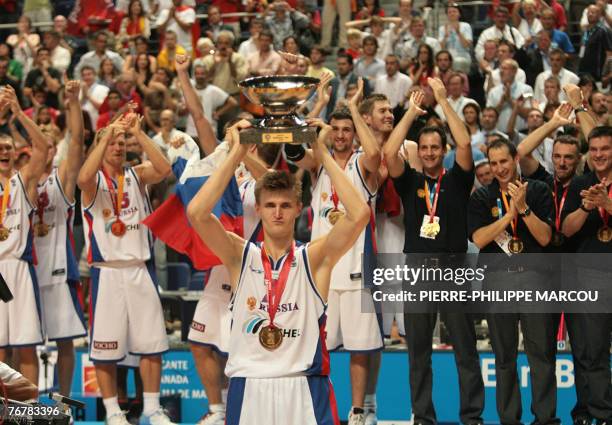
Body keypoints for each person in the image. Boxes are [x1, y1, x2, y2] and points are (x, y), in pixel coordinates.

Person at [186, 119, 371, 425]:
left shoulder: (313, 258)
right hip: (249, 385)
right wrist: (237, 152)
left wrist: (321, 151)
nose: (277, 212)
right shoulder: (240, 255)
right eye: (270, 205)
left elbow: (360, 214)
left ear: (299, 208)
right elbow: (196, 213)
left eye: (285, 205)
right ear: (257, 209)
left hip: (304, 387)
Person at [383, 79, 484, 425]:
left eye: (434, 147)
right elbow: (388, 152)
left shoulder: (457, 180)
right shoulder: (409, 180)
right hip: (418, 269)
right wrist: (411, 113)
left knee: (465, 351)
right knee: (418, 353)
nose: (428, 152)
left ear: (443, 151)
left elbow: (466, 141)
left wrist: (442, 99)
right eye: (424, 147)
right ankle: (423, 418)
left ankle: (472, 418)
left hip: (454, 267)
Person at [287, 80, 382, 425]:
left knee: (360, 348)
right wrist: (317, 108)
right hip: (323, 271)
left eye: (346, 130)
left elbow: (375, 153)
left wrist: (355, 109)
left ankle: (357, 411)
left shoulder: (363, 164)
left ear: (355, 132)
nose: (341, 135)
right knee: (316, 346)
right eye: (336, 129)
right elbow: (292, 150)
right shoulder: (319, 163)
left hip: (358, 270)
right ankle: (314, 406)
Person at [77, 112, 173, 425]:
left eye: (121, 142)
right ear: (100, 146)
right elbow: (81, 178)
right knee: (104, 349)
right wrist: (104, 135)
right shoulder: (92, 184)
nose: (118, 147)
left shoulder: (136, 174)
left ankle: (152, 409)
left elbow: (164, 169)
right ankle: (113, 412)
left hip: (139, 268)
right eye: (112, 143)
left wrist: (138, 133)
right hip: (106, 272)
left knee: (152, 344)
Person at [468, 138, 558, 425]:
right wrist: (509, 214)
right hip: (498, 280)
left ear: (515, 160)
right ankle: (509, 419)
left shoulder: (540, 190)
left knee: (541, 355)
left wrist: (524, 209)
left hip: (535, 279)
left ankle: (544, 419)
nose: (499, 168)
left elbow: (545, 237)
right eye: (493, 164)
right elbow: (480, 238)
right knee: (504, 356)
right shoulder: (482, 197)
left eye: (503, 162)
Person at [33, 80, 87, 397]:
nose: (46, 149)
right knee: (15, 343)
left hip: (56, 270)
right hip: (24, 272)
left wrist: (73, 103)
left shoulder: (60, 179)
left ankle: (64, 400)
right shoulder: (18, 179)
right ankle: (12, 404)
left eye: (51, 145)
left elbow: (77, 141)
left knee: (64, 340)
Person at [561, 125, 612, 425]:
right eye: (593, 150)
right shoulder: (581, 183)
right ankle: (602, 415)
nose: (599, 155)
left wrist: (607, 204)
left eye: (604, 149)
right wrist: (585, 206)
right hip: (590, 277)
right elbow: (566, 230)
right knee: (592, 352)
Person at [0, 85, 50, 385]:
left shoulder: (23, 180)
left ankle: (27, 411)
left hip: (18, 268)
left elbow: (43, 147)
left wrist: (18, 113)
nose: (5, 151)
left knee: (26, 346)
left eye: (9, 147)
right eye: (0, 147)